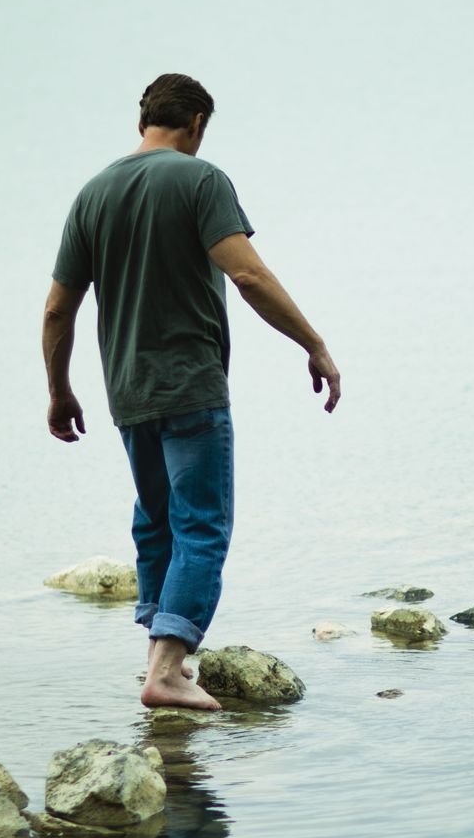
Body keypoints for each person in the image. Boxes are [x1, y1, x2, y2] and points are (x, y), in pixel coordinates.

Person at [41, 72, 340, 710]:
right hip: (191, 386)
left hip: (127, 392)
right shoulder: (201, 180)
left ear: (142, 120)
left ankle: (157, 659)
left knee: (156, 524)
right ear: (198, 122)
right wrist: (312, 343)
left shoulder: (92, 193)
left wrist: (59, 391)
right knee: (202, 527)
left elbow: (57, 312)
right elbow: (249, 274)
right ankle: (170, 671)